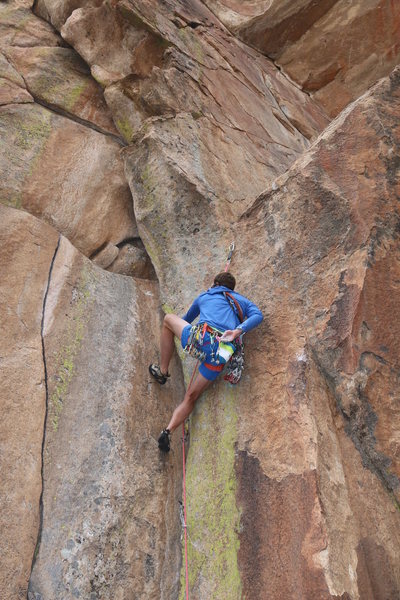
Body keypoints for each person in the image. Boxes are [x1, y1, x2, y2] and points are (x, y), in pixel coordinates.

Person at [149, 272, 263, 452]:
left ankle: (162, 372)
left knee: (168, 320)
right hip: (218, 356)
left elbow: (185, 319)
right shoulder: (240, 301)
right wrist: (237, 331)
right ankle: (167, 431)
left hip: (198, 341)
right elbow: (258, 315)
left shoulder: (206, 295)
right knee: (191, 396)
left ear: (215, 284)